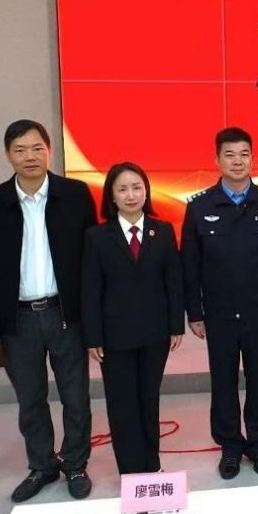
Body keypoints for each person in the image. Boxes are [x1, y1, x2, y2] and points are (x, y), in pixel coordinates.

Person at [0, 120, 98, 502]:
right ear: (8, 155)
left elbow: (92, 261)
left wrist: (93, 321)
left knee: (75, 396)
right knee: (30, 399)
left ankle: (75, 464)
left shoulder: (75, 195)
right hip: (18, 320)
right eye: (20, 149)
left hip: (66, 314)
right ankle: (42, 466)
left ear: (49, 150)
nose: (29, 156)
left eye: (36, 148)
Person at [183, 128, 258, 480]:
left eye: (244, 154)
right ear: (217, 160)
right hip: (219, 314)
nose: (237, 161)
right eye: (229, 154)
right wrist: (195, 313)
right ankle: (230, 446)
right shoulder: (199, 207)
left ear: (252, 159)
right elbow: (190, 267)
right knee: (223, 381)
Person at [82, 162, 185, 475]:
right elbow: (90, 289)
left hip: (155, 334)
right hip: (114, 337)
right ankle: (130, 472)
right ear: (111, 196)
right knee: (122, 405)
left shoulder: (162, 231)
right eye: (123, 189)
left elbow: (173, 282)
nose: (131, 195)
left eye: (137, 187)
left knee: (149, 401)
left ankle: (151, 467)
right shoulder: (97, 236)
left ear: (146, 192)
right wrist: (93, 336)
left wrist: (175, 325)